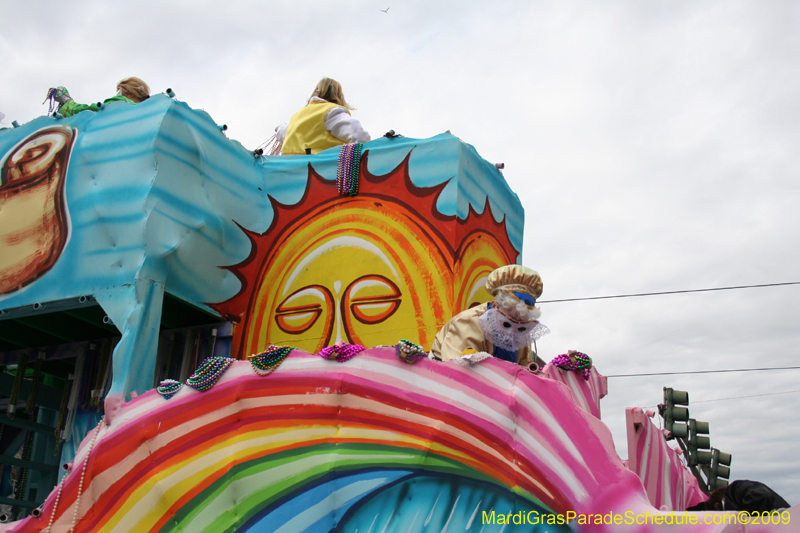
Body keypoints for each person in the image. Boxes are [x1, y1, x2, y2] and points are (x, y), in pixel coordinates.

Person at [430, 265, 549, 367]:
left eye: (521, 327)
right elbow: (458, 369)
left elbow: (524, 371)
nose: (512, 332)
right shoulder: (469, 323)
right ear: (495, 305)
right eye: (507, 323)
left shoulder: (520, 337)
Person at [277, 78, 370, 155]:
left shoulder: (296, 117)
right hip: (321, 173)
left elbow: (283, 134)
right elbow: (361, 137)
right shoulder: (332, 112)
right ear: (338, 95)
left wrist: (280, 128)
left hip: (291, 174)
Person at [46, 77, 150, 118]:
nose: (117, 95)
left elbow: (88, 111)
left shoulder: (120, 103)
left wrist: (67, 102)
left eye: (120, 91)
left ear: (132, 93)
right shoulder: (150, 111)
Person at [687, 480, 790, 514]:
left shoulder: (736, 489)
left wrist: (740, 518)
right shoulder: (738, 491)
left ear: (718, 506)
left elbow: (761, 496)